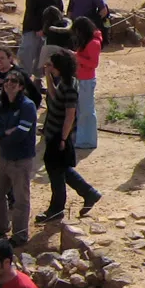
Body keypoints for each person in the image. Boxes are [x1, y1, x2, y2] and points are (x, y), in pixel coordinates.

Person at [39, 50, 101, 224]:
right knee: (61, 169)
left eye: (50, 64)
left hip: (59, 134)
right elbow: (53, 96)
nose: (48, 66)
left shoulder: (69, 86)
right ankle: (89, 193)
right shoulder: (64, 83)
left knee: (55, 172)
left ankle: (56, 209)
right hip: (54, 132)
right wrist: (48, 77)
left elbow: (70, 114)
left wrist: (63, 138)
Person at [0, 70, 38, 247]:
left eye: (13, 82)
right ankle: (1, 226)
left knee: (21, 200)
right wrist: (5, 132)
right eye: (7, 81)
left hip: (20, 160)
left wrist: (2, 135)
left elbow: (21, 134)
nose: (9, 84)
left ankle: (20, 235)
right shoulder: (3, 104)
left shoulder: (27, 106)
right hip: (3, 158)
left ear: (21, 86)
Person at [18, 0, 63, 76]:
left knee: (42, 59)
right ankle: (24, 82)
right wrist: (38, 29)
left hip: (48, 33)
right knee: (27, 57)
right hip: (32, 31)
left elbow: (58, 15)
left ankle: (38, 82)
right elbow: (30, 13)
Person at [0, 46, 41, 117]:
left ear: (9, 58)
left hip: (19, 114)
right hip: (1, 113)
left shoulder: (19, 73)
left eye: (2, 58)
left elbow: (35, 94)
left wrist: (30, 112)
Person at [71, 17, 102, 150]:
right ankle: (81, 138)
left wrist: (76, 56)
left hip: (86, 80)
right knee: (81, 110)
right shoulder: (88, 41)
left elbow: (94, 64)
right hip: (81, 78)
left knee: (87, 111)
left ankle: (87, 141)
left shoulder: (93, 43)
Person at [37, 6, 73, 95]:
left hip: (54, 58)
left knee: (56, 78)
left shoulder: (49, 28)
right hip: (66, 56)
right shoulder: (66, 24)